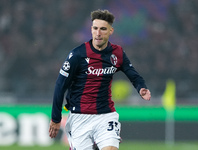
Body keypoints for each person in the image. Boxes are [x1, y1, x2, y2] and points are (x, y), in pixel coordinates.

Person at [49, 9, 151, 150]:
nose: (98, 33)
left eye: (103, 29)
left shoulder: (117, 53)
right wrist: (55, 118)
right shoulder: (78, 54)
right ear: (91, 30)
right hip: (79, 117)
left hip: (106, 115)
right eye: (95, 28)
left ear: (110, 31)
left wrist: (141, 87)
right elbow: (60, 85)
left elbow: (133, 75)